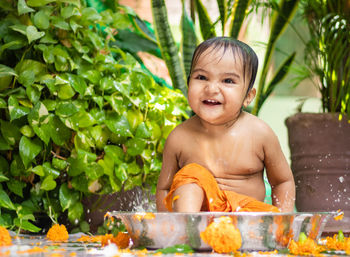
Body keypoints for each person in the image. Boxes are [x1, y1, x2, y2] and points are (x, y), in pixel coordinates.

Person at [156, 37, 295, 213]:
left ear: (248, 96)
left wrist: (282, 224)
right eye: (202, 77)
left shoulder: (259, 134)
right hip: (199, 223)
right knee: (190, 179)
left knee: (266, 215)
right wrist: (165, 228)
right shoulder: (179, 138)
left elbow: (283, 181)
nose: (211, 88)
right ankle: (187, 231)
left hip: (245, 220)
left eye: (228, 81)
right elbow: (165, 189)